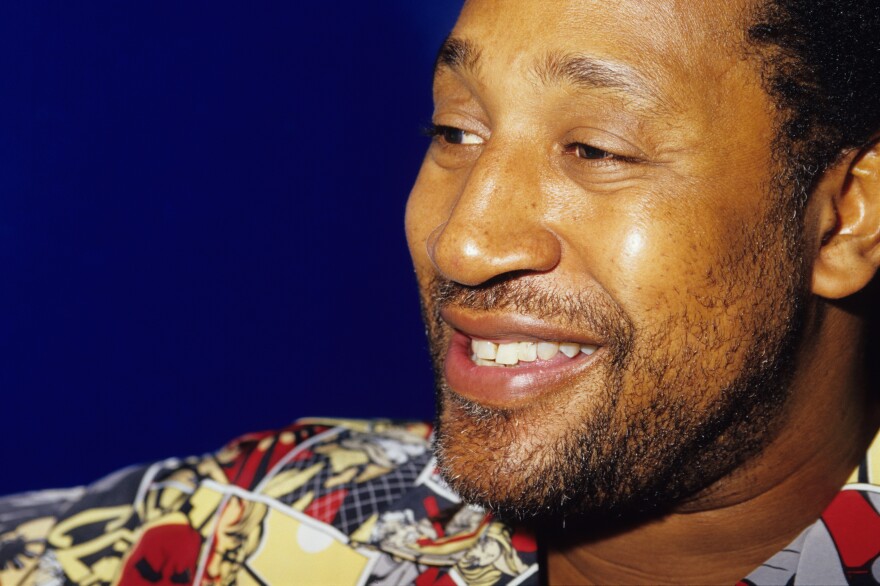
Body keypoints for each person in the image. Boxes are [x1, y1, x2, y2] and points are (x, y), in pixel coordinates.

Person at [2, 0, 878, 584]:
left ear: (846, 220)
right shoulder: (274, 519)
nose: (463, 240)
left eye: (597, 149)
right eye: (456, 129)